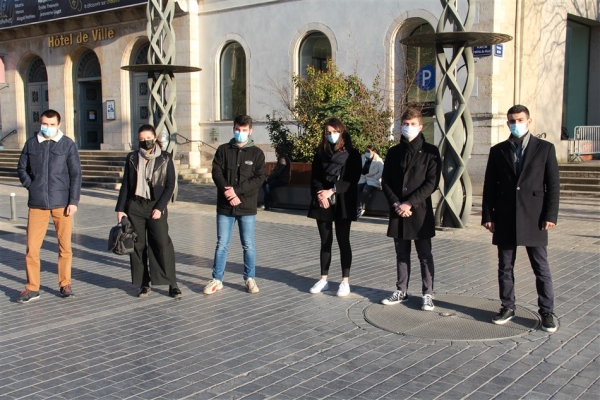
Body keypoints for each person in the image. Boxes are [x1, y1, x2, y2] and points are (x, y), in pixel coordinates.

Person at [482, 104, 560, 333]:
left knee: (541, 267)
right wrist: (488, 215)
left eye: (520, 120)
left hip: (535, 216)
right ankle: (507, 306)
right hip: (505, 216)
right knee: (505, 266)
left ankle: (547, 311)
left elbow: (553, 185)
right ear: (507, 123)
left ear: (529, 121)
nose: (516, 124)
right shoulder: (498, 151)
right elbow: (489, 186)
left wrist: (550, 215)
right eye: (512, 120)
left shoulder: (545, 148)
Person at [16, 109, 82, 303]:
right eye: (45, 124)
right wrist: (31, 185)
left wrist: (74, 201)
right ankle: (32, 287)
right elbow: (22, 168)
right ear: (40, 123)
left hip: (62, 204)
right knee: (32, 249)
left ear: (58, 125)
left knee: (65, 248)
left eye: (52, 124)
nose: (48, 127)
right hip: (37, 204)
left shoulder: (67, 144)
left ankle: (65, 284)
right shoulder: (31, 143)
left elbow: (76, 174)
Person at [380, 107, 441, 311]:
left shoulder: (431, 152)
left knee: (424, 254)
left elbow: (432, 183)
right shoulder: (394, 152)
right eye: (405, 124)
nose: (408, 128)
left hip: (419, 211)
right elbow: (386, 181)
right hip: (398, 210)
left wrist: (409, 203)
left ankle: (428, 293)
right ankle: (401, 290)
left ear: (421, 126)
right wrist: (396, 203)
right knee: (401, 254)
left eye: (412, 124)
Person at [115, 124, 182, 299]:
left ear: (155, 137)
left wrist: (160, 207)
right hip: (135, 207)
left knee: (162, 244)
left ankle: (171, 283)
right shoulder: (132, 158)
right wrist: (120, 209)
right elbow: (126, 186)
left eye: (148, 138)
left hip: (155, 206)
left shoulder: (165, 158)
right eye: (142, 139)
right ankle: (144, 283)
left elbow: (169, 185)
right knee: (138, 246)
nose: (146, 141)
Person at [204, 115, 266, 295]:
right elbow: (217, 173)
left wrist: (236, 191)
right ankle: (217, 279)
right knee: (222, 243)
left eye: (244, 130)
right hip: (225, 206)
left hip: (246, 207)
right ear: (233, 129)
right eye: (238, 129)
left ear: (250, 131)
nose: (240, 133)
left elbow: (258, 178)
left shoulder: (257, 154)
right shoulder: (223, 150)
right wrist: (228, 192)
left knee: (248, 244)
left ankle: (249, 277)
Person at [307, 117, 361, 297]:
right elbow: (315, 177)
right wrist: (320, 194)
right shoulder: (320, 153)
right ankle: (324, 279)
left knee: (343, 241)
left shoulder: (353, 154)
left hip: (343, 202)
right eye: (328, 133)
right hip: (323, 202)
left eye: (335, 132)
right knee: (325, 242)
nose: (331, 136)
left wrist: (332, 191)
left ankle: (345, 281)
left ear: (342, 132)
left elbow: (351, 180)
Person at [356, 145, 384, 218]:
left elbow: (381, 172)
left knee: (366, 190)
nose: (366, 153)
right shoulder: (362, 158)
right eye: (366, 151)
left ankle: (363, 207)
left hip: (373, 180)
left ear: (373, 152)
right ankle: (358, 207)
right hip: (363, 178)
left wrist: (374, 177)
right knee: (357, 188)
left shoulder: (378, 160)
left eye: (368, 151)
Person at [260, 146, 291, 210]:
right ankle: (271, 200)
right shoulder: (282, 158)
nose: (275, 154)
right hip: (280, 178)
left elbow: (278, 172)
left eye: (275, 152)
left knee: (267, 186)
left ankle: (266, 204)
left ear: (277, 152)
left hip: (283, 179)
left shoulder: (282, 159)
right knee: (264, 184)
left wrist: (268, 178)